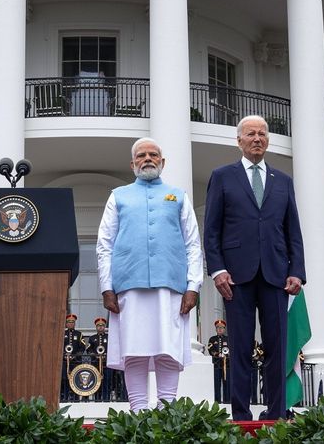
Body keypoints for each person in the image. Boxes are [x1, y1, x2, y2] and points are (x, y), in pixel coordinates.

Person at [203, 115, 305, 421]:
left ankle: (276, 414)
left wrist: (297, 271)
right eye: (251, 134)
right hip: (236, 277)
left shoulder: (283, 181)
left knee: (278, 349)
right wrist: (217, 269)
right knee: (241, 347)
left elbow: (293, 232)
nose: (257, 138)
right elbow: (211, 230)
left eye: (262, 134)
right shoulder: (222, 176)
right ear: (239, 140)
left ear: (268, 140)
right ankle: (242, 415)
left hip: (276, 275)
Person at [96, 137, 204, 412]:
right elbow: (105, 244)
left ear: (162, 162)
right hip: (128, 286)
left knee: (167, 349)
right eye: (141, 155)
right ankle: (138, 410)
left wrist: (193, 286)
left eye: (153, 155)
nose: (147, 159)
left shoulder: (178, 195)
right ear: (132, 163)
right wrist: (106, 287)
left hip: (171, 286)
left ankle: (167, 410)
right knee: (134, 351)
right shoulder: (118, 195)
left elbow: (193, 243)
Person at [61, 314, 86, 402]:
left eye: (72, 322)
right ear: (66, 324)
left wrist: (75, 356)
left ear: (74, 324)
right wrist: (64, 355)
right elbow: (58, 346)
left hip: (75, 361)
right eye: (69, 322)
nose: (71, 324)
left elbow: (83, 347)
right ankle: (64, 397)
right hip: (64, 361)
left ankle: (75, 398)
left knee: (75, 379)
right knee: (64, 379)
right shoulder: (62, 333)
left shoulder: (79, 334)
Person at [207, 320, 230, 404]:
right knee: (217, 383)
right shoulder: (212, 339)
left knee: (227, 382)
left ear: (224, 329)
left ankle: (227, 400)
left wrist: (227, 355)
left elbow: (231, 349)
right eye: (218, 327)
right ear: (216, 329)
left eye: (222, 328)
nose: (220, 329)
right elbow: (210, 349)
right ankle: (217, 401)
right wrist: (217, 354)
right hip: (216, 364)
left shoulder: (228, 339)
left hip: (227, 364)